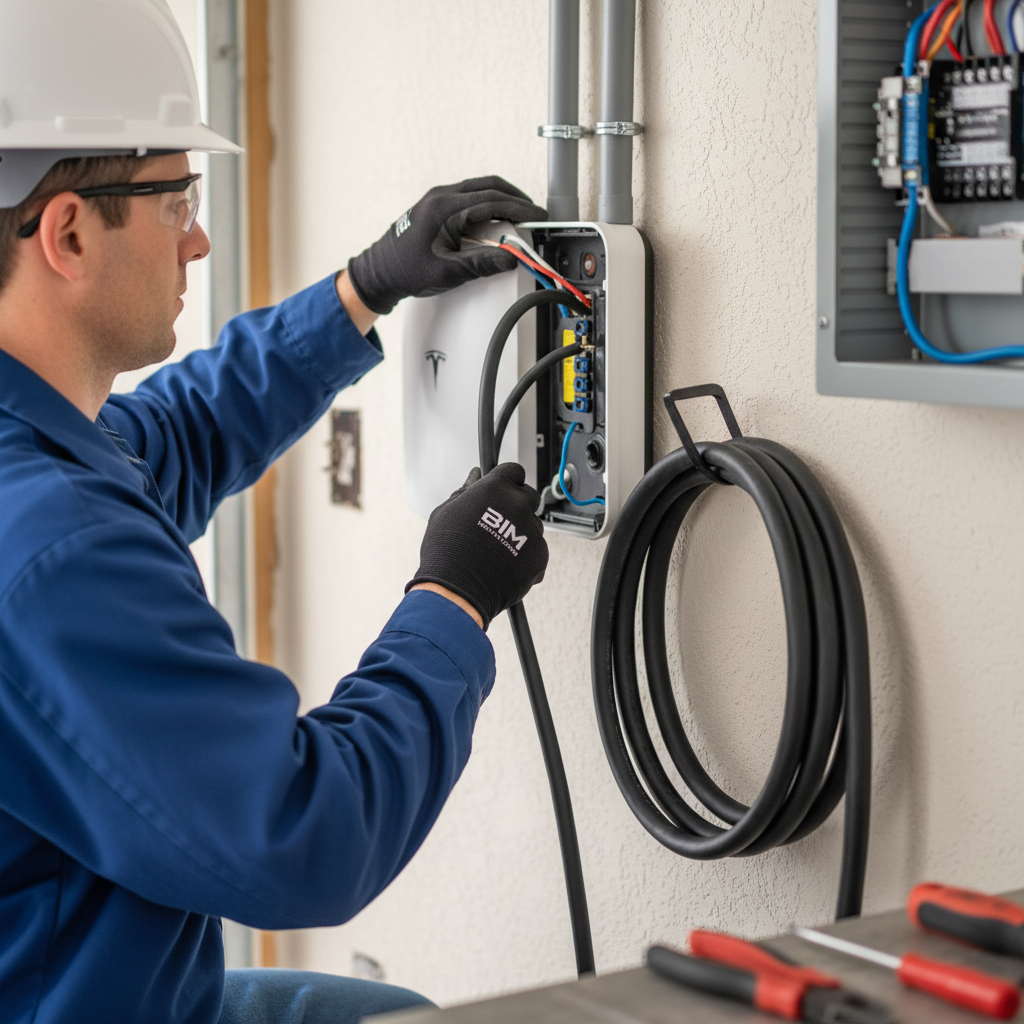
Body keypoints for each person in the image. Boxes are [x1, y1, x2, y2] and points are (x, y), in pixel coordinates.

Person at [0, 1, 549, 1022]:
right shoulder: (50, 549)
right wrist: (453, 596)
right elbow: (304, 834)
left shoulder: (37, 444)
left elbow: (176, 432)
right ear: (68, 232)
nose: (199, 239)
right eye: (176, 202)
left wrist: (366, 284)